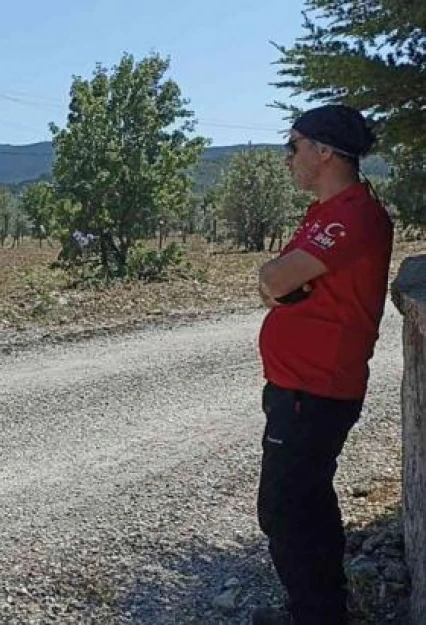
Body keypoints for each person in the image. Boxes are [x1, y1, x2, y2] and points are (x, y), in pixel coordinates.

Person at [250, 104, 393, 625]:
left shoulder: (352, 215)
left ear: (324, 151)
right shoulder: (327, 213)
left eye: (294, 146)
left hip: (316, 389)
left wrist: (280, 281)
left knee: (284, 509)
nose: (288, 158)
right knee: (306, 501)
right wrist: (280, 279)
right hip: (299, 387)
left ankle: (317, 614)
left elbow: (275, 281)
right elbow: (278, 278)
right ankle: (323, 608)